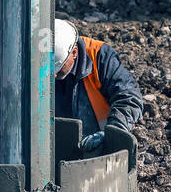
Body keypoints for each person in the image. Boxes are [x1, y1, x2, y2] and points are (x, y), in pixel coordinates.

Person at [53, 18, 143, 152]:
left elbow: (128, 98)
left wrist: (112, 133)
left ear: (74, 53)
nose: (53, 76)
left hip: (98, 150)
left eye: (58, 68)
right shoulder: (30, 57)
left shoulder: (99, 56)